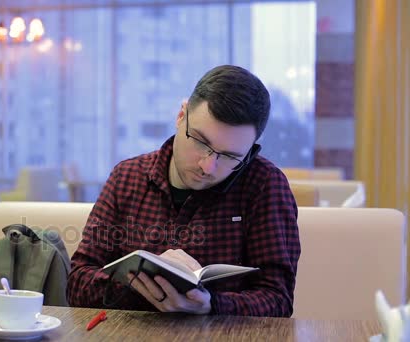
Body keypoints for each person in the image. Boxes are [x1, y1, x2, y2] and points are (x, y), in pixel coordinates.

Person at [66, 65, 301, 317]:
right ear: (181, 115)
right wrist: (141, 288)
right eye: (201, 142)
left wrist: (212, 304)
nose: (208, 166)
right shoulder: (128, 177)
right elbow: (77, 283)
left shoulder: (264, 184)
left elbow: (278, 300)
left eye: (231, 156)